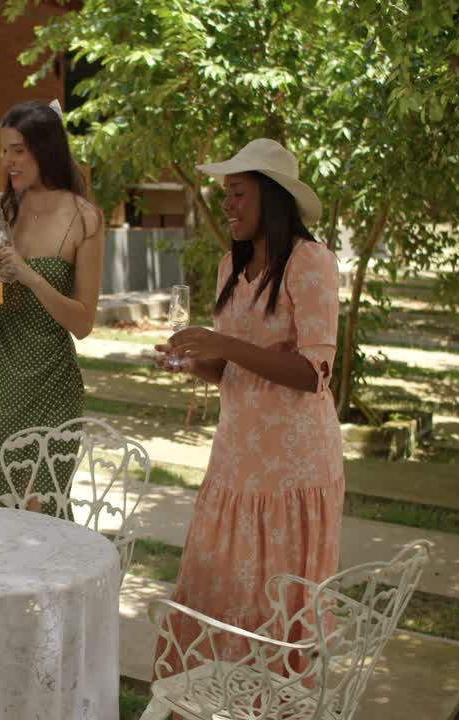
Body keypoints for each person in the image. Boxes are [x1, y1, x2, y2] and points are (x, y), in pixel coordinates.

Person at [155, 138, 344, 668]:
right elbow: (232, 369)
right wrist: (191, 362)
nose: (228, 204)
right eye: (225, 195)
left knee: (275, 607)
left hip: (292, 472)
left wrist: (225, 345)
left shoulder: (311, 263)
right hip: (235, 462)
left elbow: (314, 373)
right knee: (221, 591)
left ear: (273, 197)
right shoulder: (228, 270)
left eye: (238, 193)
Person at [0, 100, 105, 506]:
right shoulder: (0, 209)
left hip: (52, 384)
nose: (8, 160)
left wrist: (30, 276)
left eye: (18, 150)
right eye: (5, 150)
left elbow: (82, 323)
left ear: (46, 150)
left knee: (40, 511)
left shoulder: (86, 218)